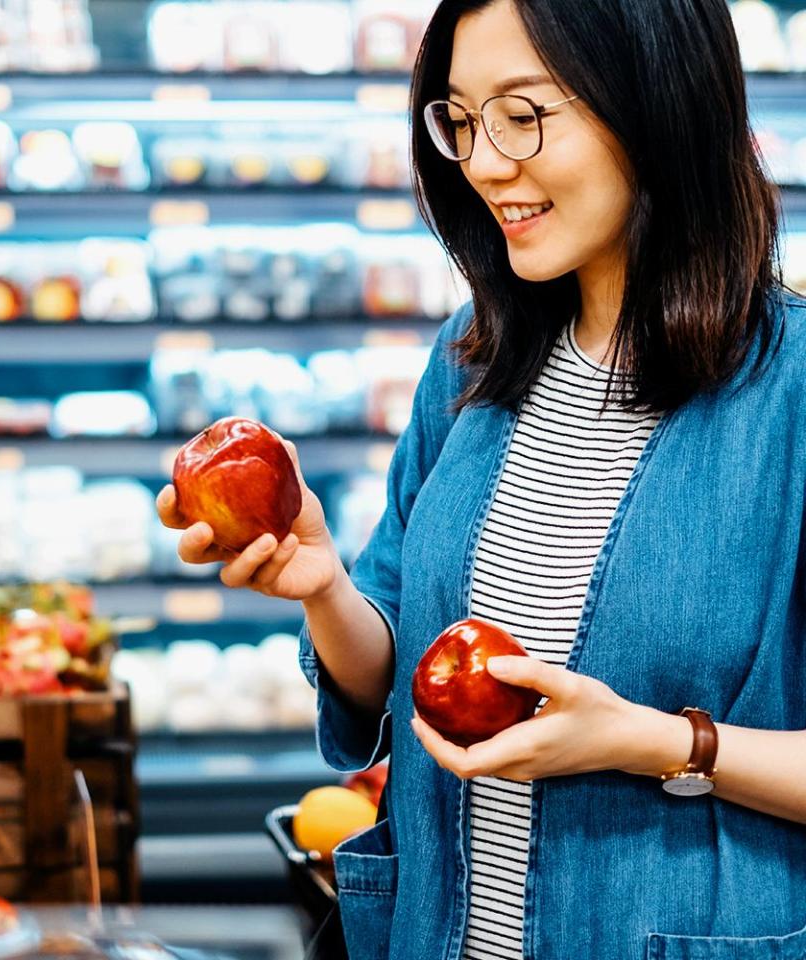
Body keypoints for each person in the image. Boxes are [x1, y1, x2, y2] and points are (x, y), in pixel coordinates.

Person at [157, 0, 806, 957]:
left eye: (523, 113)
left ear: (659, 106)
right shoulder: (473, 365)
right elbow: (392, 670)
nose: (485, 162)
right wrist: (326, 587)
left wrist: (660, 742)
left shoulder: (787, 394)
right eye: (460, 119)